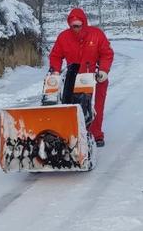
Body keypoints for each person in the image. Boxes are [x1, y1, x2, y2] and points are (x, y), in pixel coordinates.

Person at [49, 8, 114, 147]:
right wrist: (55, 70)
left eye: (78, 25)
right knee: (72, 105)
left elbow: (106, 53)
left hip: (96, 76)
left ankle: (96, 134)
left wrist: (103, 70)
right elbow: (55, 55)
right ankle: (73, 133)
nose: (76, 28)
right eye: (73, 26)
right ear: (69, 24)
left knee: (96, 106)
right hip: (74, 76)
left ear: (84, 23)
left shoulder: (96, 34)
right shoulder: (63, 37)